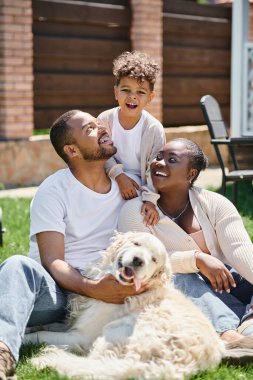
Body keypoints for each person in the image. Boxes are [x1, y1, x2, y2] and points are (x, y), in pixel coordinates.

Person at [0, 110, 146, 380]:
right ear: (72, 150)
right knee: (16, 266)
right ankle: (3, 351)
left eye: (99, 123)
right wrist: (93, 289)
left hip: (108, 289)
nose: (102, 128)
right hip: (57, 292)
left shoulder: (129, 187)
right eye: (90, 128)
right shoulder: (53, 190)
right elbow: (53, 261)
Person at [118, 137, 253, 343]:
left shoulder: (214, 203)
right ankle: (229, 335)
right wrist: (196, 259)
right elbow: (145, 263)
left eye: (171, 159)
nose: (159, 163)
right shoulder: (134, 212)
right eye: (158, 157)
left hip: (225, 281)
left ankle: (248, 322)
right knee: (179, 279)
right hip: (180, 288)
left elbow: (239, 249)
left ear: (191, 173)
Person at [97, 50, 166, 225]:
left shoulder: (153, 129)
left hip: (140, 181)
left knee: (126, 206)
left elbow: (156, 168)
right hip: (110, 174)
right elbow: (101, 153)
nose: (132, 96)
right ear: (115, 92)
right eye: (125, 89)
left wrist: (150, 199)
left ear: (150, 97)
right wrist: (119, 176)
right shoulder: (105, 120)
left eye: (140, 92)